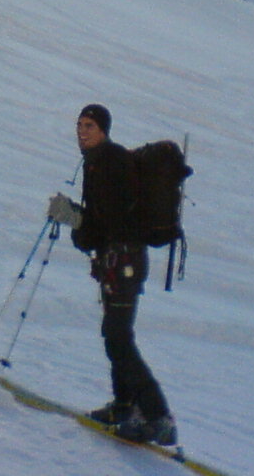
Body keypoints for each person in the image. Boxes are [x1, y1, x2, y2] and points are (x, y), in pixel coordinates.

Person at [48, 104, 177, 446]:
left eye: (89, 125)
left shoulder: (108, 162)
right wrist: (79, 219)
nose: (82, 131)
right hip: (121, 261)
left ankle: (157, 415)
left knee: (118, 337)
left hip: (123, 261)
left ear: (104, 130)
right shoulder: (100, 161)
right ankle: (124, 407)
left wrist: (73, 217)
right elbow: (102, 221)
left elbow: (106, 221)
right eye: (79, 125)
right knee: (116, 334)